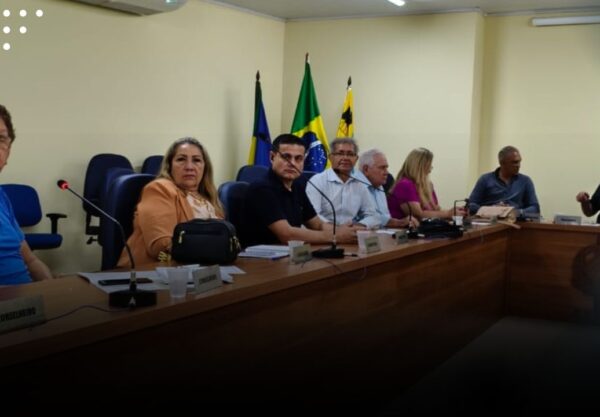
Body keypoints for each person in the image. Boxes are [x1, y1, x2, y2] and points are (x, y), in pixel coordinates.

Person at [117, 137, 223, 267]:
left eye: (196, 160)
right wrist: (215, 249)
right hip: (150, 271)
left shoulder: (209, 198)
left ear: (205, 167)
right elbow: (160, 245)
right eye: (181, 159)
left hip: (204, 269)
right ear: (169, 166)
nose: (189, 167)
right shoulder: (159, 189)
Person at [239, 133, 356, 248]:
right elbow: (287, 235)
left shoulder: (297, 186)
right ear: (272, 157)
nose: (292, 163)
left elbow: (317, 224)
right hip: (260, 257)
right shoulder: (261, 188)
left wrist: (345, 232)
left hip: (290, 253)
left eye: (298, 158)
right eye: (286, 157)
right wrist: (335, 236)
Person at [0, 104, 53, 285]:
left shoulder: (2, 197)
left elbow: (30, 261)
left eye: (1, 139)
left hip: (25, 299)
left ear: (8, 152)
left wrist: (51, 289)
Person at [306, 138, 381, 229]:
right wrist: (336, 229)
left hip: (350, 232)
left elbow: (373, 215)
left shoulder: (360, 184)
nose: (345, 158)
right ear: (330, 157)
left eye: (350, 154)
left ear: (356, 159)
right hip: (323, 232)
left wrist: (357, 226)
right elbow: (312, 216)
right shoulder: (317, 181)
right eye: (340, 153)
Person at [387, 147, 464, 220]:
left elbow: (436, 210)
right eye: (429, 164)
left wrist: (456, 212)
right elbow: (418, 215)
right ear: (420, 166)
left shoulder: (428, 185)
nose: (431, 168)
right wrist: (447, 213)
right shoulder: (405, 185)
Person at [468, 146, 540, 217]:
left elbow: (535, 209)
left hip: (515, 221)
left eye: (519, 161)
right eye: (515, 162)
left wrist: (515, 212)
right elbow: (471, 205)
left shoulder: (525, 181)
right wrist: (492, 211)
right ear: (502, 163)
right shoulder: (485, 179)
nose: (518, 165)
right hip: (490, 221)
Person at [356, 148, 419, 229]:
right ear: (366, 169)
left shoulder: (379, 186)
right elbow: (367, 219)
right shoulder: (355, 186)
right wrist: (399, 222)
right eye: (382, 168)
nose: (386, 172)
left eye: (386, 168)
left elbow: (385, 217)